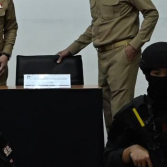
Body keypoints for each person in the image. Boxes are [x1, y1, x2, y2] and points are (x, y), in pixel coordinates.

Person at [56, 0, 158, 131]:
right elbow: (95, 26)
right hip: (102, 53)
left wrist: (135, 45)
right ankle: (113, 143)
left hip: (122, 51)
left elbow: (152, 13)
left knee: (120, 107)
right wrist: (71, 49)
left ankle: (125, 143)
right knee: (107, 107)